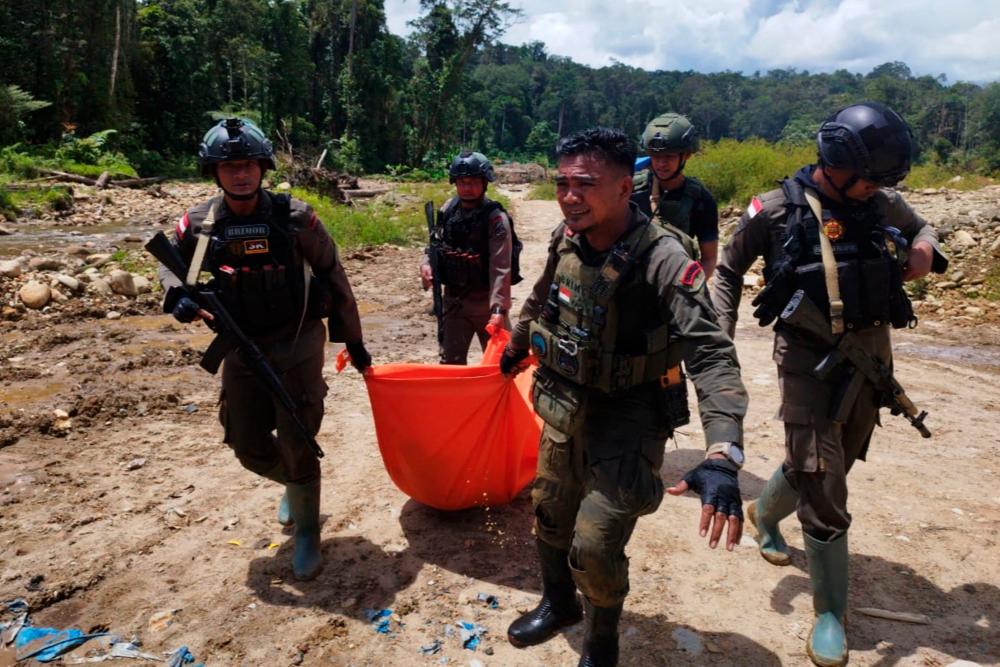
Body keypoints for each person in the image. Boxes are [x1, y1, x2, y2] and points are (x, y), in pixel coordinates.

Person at [499, 127, 748, 667]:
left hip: (631, 416)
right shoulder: (567, 238)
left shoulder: (661, 256)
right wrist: (516, 348)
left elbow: (710, 352)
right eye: (562, 182)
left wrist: (723, 452)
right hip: (565, 406)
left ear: (621, 187)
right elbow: (543, 299)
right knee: (549, 513)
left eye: (583, 183)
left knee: (594, 544)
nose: (569, 195)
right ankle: (559, 604)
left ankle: (602, 642)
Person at [711, 102, 948, 667]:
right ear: (835, 165)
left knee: (831, 456)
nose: (875, 191)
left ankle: (765, 513)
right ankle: (830, 613)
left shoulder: (882, 198)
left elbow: (922, 227)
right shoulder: (774, 210)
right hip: (806, 360)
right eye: (868, 180)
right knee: (823, 478)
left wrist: (924, 248)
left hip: (870, 355)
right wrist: (716, 346)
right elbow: (726, 271)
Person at [157, 118, 371, 581]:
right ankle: (294, 487)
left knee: (298, 437)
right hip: (239, 346)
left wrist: (353, 341)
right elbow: (171, 267)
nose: (241, 175)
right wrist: (178, 296)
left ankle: (308, 529)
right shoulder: (200, 223)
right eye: (229, 166)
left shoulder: (294, 217)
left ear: (263, 168)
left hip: (297, 341)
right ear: (214, 172)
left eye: (249, 165)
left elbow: (333, 272)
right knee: (247, 444)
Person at [420, 151, 516, 364]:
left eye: (473, 182)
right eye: (462, 182)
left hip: (486, 304)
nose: (467, 187)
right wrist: (426, 264)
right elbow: (434, 245)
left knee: (500, 365)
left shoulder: (496, 219)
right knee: (450, 364)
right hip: (454, 302)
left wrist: (499, 309)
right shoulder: (449, 209)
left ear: (485, 183)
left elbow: (501, 267)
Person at [631, 113, 720, 277]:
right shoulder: (631, 188)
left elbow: (709, 259)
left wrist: (689, 290)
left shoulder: (701, 199)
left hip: (673, 281)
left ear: (686, 155)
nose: (661, 163)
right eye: (656, 156)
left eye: (669, 157)